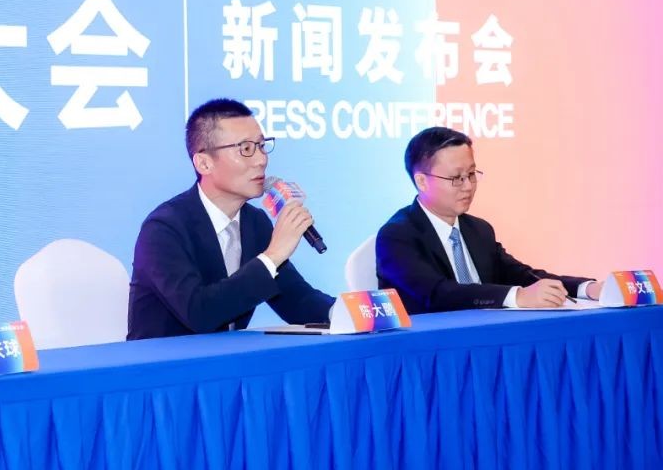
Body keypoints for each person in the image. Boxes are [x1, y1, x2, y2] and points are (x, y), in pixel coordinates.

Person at [127, 98, 334, 339]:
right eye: (245, 149)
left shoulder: (255, 222)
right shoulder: (163, 229)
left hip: (230, 358)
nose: (261, 159)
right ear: (204, 163)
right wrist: (273, 255)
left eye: (261, 145)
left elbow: (297, 300)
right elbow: (199, 313)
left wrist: (349, 311)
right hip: (166, 360)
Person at [376, 126, 600, 314]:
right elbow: (436, 294)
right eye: (456, 178)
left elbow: (523, 276)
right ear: (422, 182)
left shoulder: (478, 230)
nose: (468, 186)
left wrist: (586, 289)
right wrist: (517, 297)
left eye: (471, 174)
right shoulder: (397, 236)